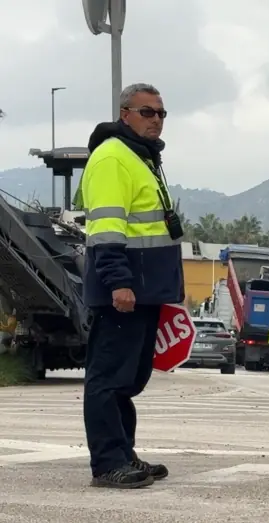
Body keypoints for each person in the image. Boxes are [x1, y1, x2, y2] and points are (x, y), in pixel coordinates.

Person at [81, 83, 183, 489]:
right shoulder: (113, 158)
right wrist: (119, 283)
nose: (156, 120)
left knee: (128, 380)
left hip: (145, 292)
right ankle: (108, 464)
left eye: (161, 113)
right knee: (107, 379)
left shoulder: (141, 157)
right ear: (125, 114)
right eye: (147, 112)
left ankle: (124, 454)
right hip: (123, 292)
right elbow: (107, 230)